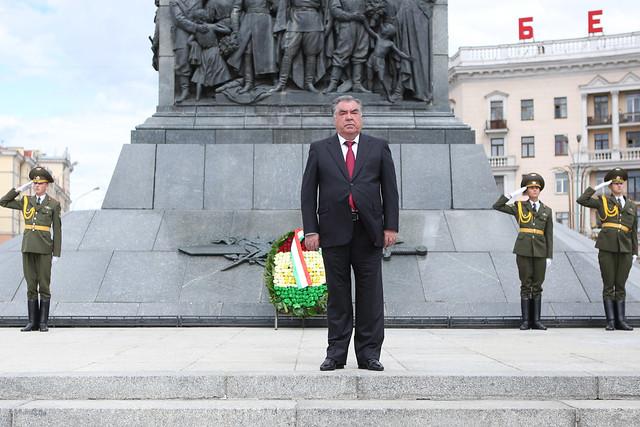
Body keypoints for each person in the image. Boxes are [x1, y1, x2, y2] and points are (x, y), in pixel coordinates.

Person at [301, 95, 399, 371]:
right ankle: (336, 352)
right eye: (343, 113)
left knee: (370, 296)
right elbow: (308, 194)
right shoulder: (320, 150)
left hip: (368, 232)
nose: (349, 117)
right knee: (338, 295)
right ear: (335, 119)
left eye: (354, 112)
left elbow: (390, 190)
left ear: (361, 117)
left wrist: (390, 226)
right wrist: (311, 230)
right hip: (333, 232)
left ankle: (369, 354)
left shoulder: (378, 148)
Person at [0, 166, 62, 332]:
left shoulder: (54, 204)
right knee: (30, 285)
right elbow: (3, 201)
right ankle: (32, 322)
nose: (37, 186)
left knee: (44, 285)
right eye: (34, 183)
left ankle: (43, 323)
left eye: (40, 183)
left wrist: (56, 253)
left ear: (46, 185)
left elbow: (57, 229)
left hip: (44, 248)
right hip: (28, 247)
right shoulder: (26, 201)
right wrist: (20, 189)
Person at [577, 167, 636, 331]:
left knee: (621, 285)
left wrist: (635, 252)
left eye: (620, 183)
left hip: (625, 249)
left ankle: (621, 321)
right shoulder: (602, 201)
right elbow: (581, 200)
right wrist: (598, 187)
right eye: (615, 183)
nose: (618, 186)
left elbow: (633, 231)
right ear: (610, 186)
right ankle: (611, 321)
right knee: (609, 284)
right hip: (607, 247)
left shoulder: (631, 206)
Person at [493, 173, 553, 330]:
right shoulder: (519, 206)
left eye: (536, 188)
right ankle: (526, 321)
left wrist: (549, 256)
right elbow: (497, 206)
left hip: (540, 251)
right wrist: (513, 194)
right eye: (531, 188)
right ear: (527, 190)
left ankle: (536, 321)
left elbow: (549, 235)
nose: (534, 190)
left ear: (540, 190)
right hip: (524, 250)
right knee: (526, 284)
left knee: (538, 285)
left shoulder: (547, 210)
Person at [270, 0, 325, 93]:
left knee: (311, 54)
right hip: (295, 19)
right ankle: (282, 83)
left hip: (313, 20)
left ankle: (309, 83)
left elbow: (325, 7)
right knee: (288, 52)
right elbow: (284, 4)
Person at [324, 0, 371, 93]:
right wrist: (352, 16)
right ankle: (333, 84)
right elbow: (335, 11)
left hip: (362, 25)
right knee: (342, 53)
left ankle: (357, 84)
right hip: (347, 25)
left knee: (360, 54)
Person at [188, 9, 233, 100]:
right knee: (220, 71)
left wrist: (196, 45)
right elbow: (227, 30)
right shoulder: (212, 27)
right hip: (214, 52)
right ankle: (222, 92)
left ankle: (197, 97)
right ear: (205, 17)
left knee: (200, 75)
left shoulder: (196, 30)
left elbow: (189, 41)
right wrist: (218, 25)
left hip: (203, 53)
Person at [170, 0, 209, 103]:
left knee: (205, 58)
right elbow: (178, 18)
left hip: (202, 30)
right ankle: (185, 90)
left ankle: (207, 89)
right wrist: (196, 27)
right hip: (182, 32)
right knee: (182, 61)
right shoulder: (174, 1)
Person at [362, 22, 412, 102]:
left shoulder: (390, 43)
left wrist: (407, 58)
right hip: (372, 58)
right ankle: (370, 93)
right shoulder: (378, 37)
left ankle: (388, 95)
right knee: (369, 77)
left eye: (385, 27)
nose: (382, 27)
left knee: (381, 79)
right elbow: (369, 29)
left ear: (388, 33)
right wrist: (364, 20)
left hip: (380, 61)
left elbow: (399, 52)